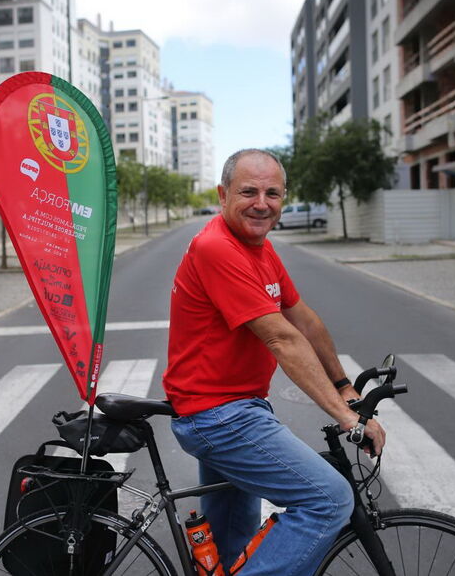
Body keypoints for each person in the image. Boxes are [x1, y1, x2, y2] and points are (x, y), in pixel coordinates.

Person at [163, 149, 386, 576]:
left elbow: (302, 318)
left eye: (272, 193)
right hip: (219, 417)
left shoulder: (260, 250)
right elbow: (283, 338)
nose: (261, 203)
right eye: (248, 191)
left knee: (232, 545)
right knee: (329, 500)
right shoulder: (217, 248)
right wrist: (347, 419)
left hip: (234, 409)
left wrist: (344, 385)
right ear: (222, 194)